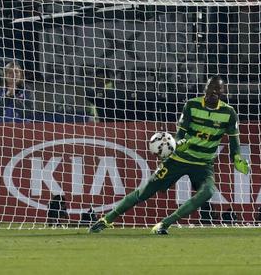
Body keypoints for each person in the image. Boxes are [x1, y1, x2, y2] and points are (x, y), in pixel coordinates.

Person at [89, 76, 249, 235]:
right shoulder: (192, 105)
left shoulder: (229, 113)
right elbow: (180, 134)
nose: (212, 92)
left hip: (203, 164)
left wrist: (236, 158)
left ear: (223, 92)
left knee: (208, 192)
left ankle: (163, 224)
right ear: (204, 89)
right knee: (145, 192)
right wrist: (178, 143)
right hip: (178, 160)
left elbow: (234, 142)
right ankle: (107, 219)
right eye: (209, 88)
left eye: (217, 89)